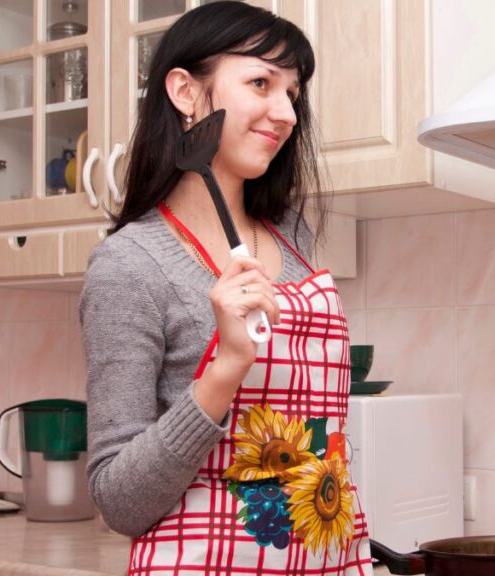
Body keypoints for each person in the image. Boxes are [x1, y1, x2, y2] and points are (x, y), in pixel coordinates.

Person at [79, 3, 371, 574]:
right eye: (261, 82)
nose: (285, 112)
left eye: (293, 92)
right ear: (186, 92)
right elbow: (117, 499)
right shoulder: (128, 267)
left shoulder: (290, 236)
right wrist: (225, 367)